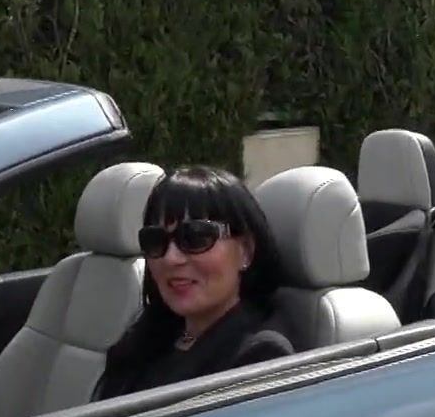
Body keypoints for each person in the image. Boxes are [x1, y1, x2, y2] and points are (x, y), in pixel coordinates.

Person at [94, 165, 295, 400]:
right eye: (156, 240)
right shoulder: (151, 334)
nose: (171, 258)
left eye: (196, 237)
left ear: (246, 251)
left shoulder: (260, 356)